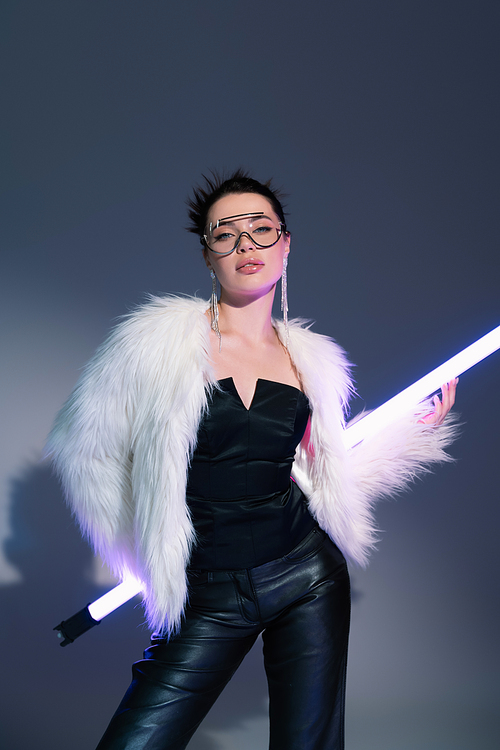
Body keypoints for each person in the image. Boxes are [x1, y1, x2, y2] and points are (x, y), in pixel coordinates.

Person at [47, 170, 458, 750]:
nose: (246, 245)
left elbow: (326, 476)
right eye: (226, 233)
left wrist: (412, 432)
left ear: (285, 245)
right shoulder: (153, 345)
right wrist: (152, 552)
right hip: (207, 596)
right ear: (207, 253)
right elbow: (85, 450)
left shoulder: (311, 360)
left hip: (305, 575)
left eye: (261, 230)